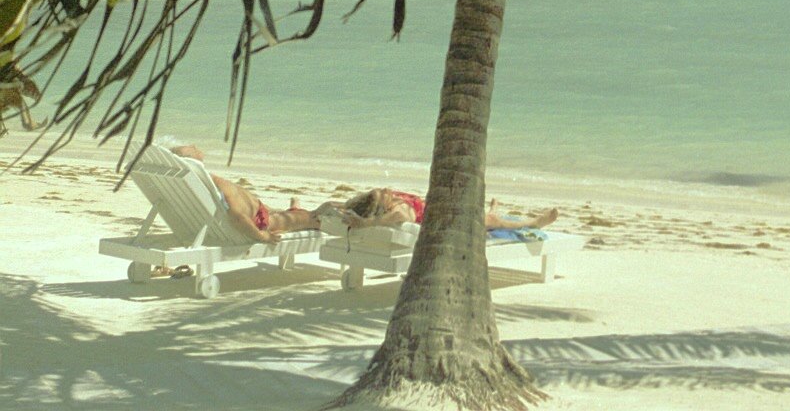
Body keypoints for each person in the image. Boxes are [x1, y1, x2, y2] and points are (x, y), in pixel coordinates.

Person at [170, 144, 317, 243]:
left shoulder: (189, 181)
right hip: (259, 222)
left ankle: (294, 210)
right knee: (312, 218)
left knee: (289, 214)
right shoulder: (216, 183)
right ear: (193, 160)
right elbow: (239, 219)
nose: (196, 146)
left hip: (258, 212)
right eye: (192, 148)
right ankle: (302, 214)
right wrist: (262, 236)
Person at [320, 187, 557, 232]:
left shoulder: (391, 203)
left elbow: (333, 206)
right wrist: (366, 224)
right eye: (384, 193)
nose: (387, 189)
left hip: (442, 206)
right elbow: (399, 217)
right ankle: (533, 223)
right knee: (491, 220)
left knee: (483, 212)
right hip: (445, 220)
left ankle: (491, 210)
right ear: (380, 205)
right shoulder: (396, 211)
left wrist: (330, 208)